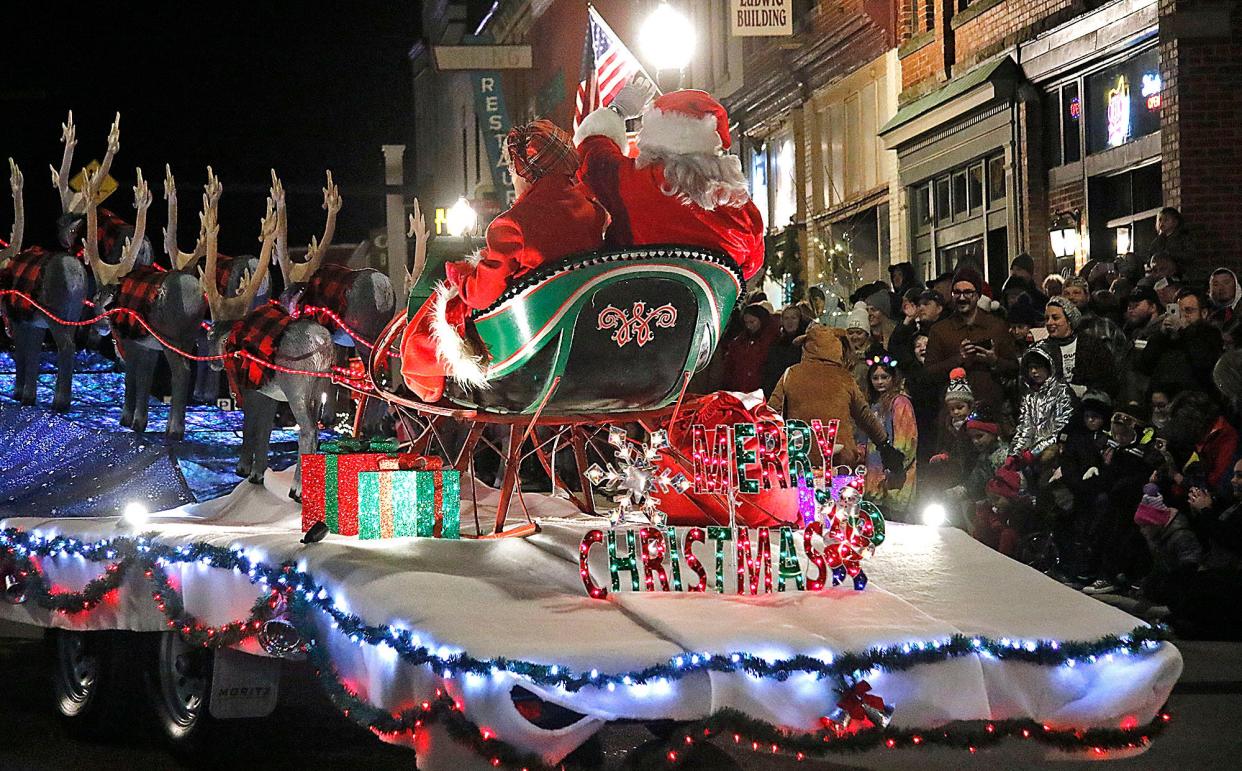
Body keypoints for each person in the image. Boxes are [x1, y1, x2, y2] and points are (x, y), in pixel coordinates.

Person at [401, 120, 609, 401]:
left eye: (512, 169)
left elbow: (481, 295)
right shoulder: (593, 212)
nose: (512, 176)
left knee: (442, 310)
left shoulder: (511, 225)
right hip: (582, 331)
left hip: (531, 339)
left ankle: (424, 379)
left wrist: (460, 275)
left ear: (526, 172)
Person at [574, 84, 764, 280]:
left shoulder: (632, 182)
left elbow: (591, 152)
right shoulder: (745, 213)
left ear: (651, 148)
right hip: (710, 309)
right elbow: (748, 269)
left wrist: (617, 111)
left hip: (632, 303)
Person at [768, 323, 904, 470]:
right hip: (839, 459)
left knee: (801, 492)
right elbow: (864, 416)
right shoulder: (844, 378)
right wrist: (884, 444)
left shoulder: (791, 374)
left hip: (800, 458)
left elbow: (771, 411)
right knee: (840, 491)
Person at [923, 267, 1018, 413]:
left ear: (978, 295)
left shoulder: (996, 326)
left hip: (990, 412)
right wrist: (959, 358)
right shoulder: (940, 330)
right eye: (957, 292)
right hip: (952, 415)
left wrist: (993, 361)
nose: (962, 298)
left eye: (968, 292)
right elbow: (929, 374)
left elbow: (1014, 368)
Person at [1135, 287, 1223, 397]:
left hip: (1193, 401)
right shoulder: (1167, 336)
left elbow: (1203, 363)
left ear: (1204, 313)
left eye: (1188, 311)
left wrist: (1183, 331)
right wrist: (1161, 336)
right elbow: (1144, 365)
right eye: (1179, 311)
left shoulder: (1211, 334)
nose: (1182, 316)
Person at [860, 354, 918, 514]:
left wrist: (895, 464)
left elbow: (906, 438)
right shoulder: (872, 405)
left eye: (884, 377)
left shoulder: (900, 402)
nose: (879, 382)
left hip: (895, 477)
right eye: (875, 378)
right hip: (873, 476)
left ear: (893, 378)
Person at [1039, 296, 1118, 398]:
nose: (1049, 323)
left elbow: (1108, 380)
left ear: (1069, 320)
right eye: (1047, 319)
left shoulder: (1093, 346)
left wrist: (1085, 391)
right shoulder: (1041, 349)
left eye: (1055, 318)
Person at [723, 303, 779, 394]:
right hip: (740, 392)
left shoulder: (773, 340)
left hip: (762, 392)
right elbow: (730, 367)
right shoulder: (739, 342)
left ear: (762, 320)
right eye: (746, 323)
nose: (749, 326)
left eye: (752, 322)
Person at [761, 305, 808, 397]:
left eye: (793, 318)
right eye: (786, 318)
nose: (789, 322)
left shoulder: (806, 343)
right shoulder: (776, 343)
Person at [862, 284, 896, 349]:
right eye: (867, 310)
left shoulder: (895, 335)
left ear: (883, 312)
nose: (869, 313)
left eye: (873, 310)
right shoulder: (866, 336)